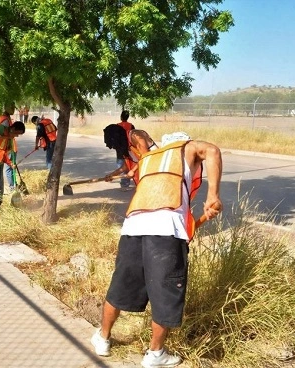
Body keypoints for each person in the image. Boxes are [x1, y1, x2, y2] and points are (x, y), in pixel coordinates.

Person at [92, 129, 223, 368]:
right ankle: (155, 354)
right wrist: (212, 195)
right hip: (165, 231)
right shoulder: (187, 147)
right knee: (165, 294)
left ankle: (102, 338)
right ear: (185, 142)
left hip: (133, 227)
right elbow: (212, 150)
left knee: (120, 285)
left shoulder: (149, 159)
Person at [115, 111, 135, 190]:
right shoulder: (131, 126)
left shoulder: (117, 126)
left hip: (119, 149)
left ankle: (123, 184)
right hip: (128, 148)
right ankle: (125, 184)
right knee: (127, 166)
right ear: (128, 117)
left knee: (120, 165)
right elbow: (133, 137)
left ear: (121, 117)